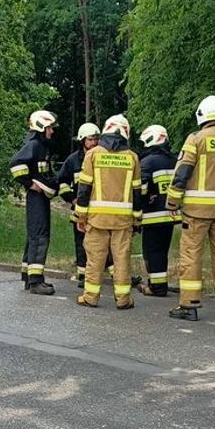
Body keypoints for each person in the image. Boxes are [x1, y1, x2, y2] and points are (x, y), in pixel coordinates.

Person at [166, 95, 215, 321]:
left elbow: (182, 172)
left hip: (197, 211)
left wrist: (172, 201)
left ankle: (189, 306)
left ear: (201, 115)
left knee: (191, 256)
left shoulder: (196, 138)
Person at [74, 114, 142, 310]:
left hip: (97, 219)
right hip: (123, 220)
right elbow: (137, 192)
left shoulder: (93, 154)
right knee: (122, 259)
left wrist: (81, 216)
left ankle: (90, 297)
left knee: (95, 258)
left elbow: (84, 188)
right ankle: (123, 299)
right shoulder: (132, 157)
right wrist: (137, 219)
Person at [9, 110, 58, 295]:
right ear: (41, 127)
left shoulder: (41, 146)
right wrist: (30, 183)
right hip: (36, 197)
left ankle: (28, 277)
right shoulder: (35, 145)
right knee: (40, 235)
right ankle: (36, 281)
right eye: (50, 128)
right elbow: (15, 164)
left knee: (35, 235)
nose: (52, 132)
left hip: (41, 197)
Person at [57, 123, 109, 288]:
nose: (94, 142)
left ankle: (108, 272)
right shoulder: (73, 160)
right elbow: (62, 182)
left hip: (100, 209)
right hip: (80, 209)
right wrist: (71, 199)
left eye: (96, 139)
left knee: (104, 242)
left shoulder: (104, 157)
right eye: (90, 139)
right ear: (82, 140)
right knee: (81, 242)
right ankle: (82, 275)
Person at [137, 125, 178, 296]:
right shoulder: (175, 160)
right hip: (170, 215)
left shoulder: (147, 162)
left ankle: (157, 287)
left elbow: (142, 189)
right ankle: (160, 283)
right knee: (163, 250)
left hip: (152, 215)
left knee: (152, 252)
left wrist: (144, 201)